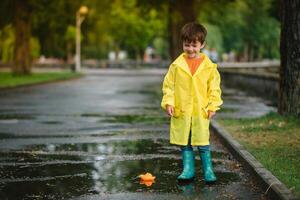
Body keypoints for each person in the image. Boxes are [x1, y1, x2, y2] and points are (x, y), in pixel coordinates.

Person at [161, 22, 223, 183]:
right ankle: (188, 169)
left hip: (200, 110)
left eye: (194, 45)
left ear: (202, 45)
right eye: (186, 45)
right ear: (183, 44)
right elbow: (169, 86)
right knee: (185, 140)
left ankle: (208, 170)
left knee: (202, 141)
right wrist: (169, 102)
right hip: (182, 109)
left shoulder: (209, 67)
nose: (190, 49)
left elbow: (214, 88)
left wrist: (213, 105)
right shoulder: (176, 66)